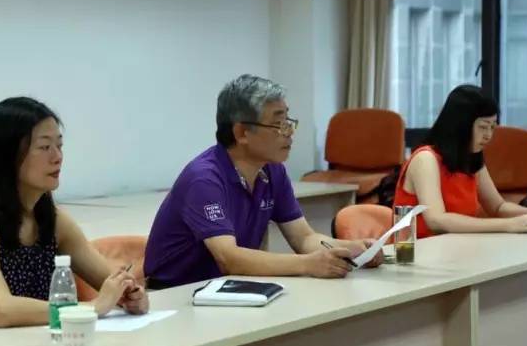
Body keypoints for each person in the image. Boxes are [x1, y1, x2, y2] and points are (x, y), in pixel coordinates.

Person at [0, 97, 148, 335]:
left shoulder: (53, 221)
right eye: (44, 147)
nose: (57, 157)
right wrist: (91, 307)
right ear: (7, 156)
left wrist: (132, 295)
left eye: (59, 146)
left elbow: (112, 281)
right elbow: (1, 310)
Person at [145, 74, 382, 289]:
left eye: (288, 121)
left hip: (225, 289)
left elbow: (304, 238)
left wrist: (353, 248)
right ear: (241, 133)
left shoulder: (272, 170)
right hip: (175, 294)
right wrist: (309, 264)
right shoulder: (204, 178)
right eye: (278, 124)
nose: (289, 131)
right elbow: (229, 258)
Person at [393, 84, 527, 239]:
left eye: (492, 127)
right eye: (483, 127)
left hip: (457, 248)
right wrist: (509, 224)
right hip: (417, 251)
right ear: (460, 125)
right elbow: (436, 220)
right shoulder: (426, 159)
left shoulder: (471, 157)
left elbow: (498, 207)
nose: (488, 135)